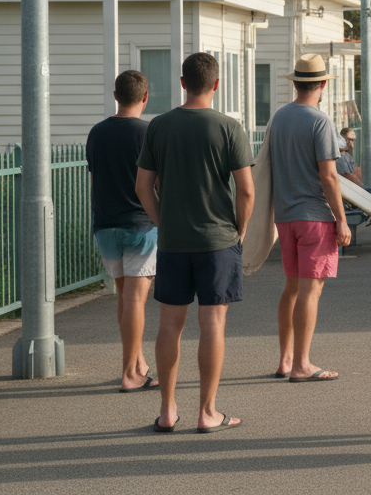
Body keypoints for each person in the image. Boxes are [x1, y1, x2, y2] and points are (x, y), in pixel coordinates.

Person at [136, 52, 254, 433]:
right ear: (216, 85)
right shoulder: (228, 128)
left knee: (170, 324)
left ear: (183, 82)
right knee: (213, 323)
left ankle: (168, 410)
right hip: (218, 241)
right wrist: (239, 230)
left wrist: (162, 221)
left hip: (173, 242)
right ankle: (207, 412)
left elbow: (143, 186)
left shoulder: (158, 126)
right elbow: (247, 191)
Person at [266, 54, 352, 383]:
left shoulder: (279, 118)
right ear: (323, 84)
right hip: (314, 216)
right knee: (310, 291)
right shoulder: (320, 121)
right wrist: (341, 220)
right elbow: (329, 176)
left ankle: (286, 358)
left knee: (291, 289)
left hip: (285, 215)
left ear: (296, 82)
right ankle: (302, 363)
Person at [87, 69, 159, 393]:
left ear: (115, 96)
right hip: (141, 225)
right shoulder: (149, 133)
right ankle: (130, 372)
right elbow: (157, 182)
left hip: (105, 225)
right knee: (135, 299)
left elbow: (94, 177)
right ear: (145, 97)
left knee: (125, 296)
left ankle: (138, 363)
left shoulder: (96, 133)